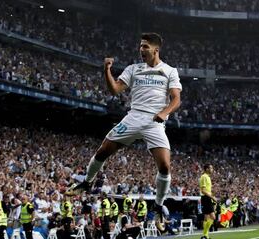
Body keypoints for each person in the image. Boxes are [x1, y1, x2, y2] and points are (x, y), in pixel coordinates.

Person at [69, 32, 182, 226]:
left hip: (155, 121)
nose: (141, 50)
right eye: (140, 46)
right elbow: (114, 89)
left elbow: (176, 99)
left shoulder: (170, 71)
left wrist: (164, 112)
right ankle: (87, 181)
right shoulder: (133, 69)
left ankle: (158, 205)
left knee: (164, 166)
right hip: (133, 117)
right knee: (103, 150)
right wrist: (107, 70)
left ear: (156, 49)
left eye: (145, 46)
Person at [200, 164, 215, 239]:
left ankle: (206, 236)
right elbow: (203, 190)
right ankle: (204, 235)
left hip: (207, 198)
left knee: (206, 218)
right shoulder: (204, 177)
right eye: (211, 168)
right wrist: (212, 197)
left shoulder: (208, 177)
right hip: (206, 198)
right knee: (213, 217)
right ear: (206, 169)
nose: (212, 169)